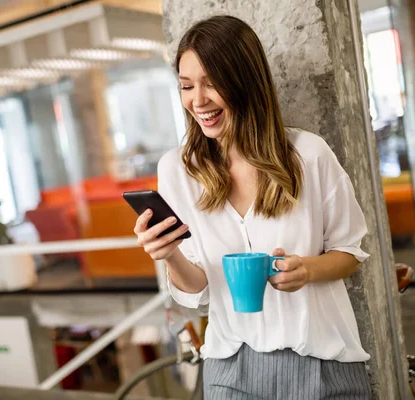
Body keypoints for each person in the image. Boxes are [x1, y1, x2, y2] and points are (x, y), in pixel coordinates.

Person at [133, 15, 372, 399]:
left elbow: (351, 253)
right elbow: (200, 290)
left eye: (212, 84)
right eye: (187, 86)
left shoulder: (307, 155)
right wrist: (170, 255)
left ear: (246, 80)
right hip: (230, 368)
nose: (198, 101)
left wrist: (306, 270)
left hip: (320, 362)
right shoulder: (177, 171)